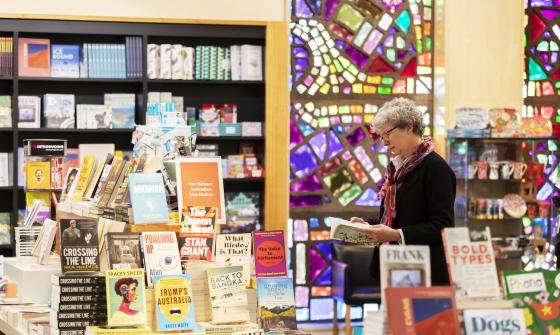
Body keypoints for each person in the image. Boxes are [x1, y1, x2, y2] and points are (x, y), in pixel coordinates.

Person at [352, 97, 456, 285]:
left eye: (387, 134)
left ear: (408, 126)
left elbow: (441, 226)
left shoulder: (436, 168)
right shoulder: (397, 168)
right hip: (395, 267)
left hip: (424, 274)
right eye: (381, 137)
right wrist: (368, 226)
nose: (384, 143)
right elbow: (400, 217)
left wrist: (396, 235)